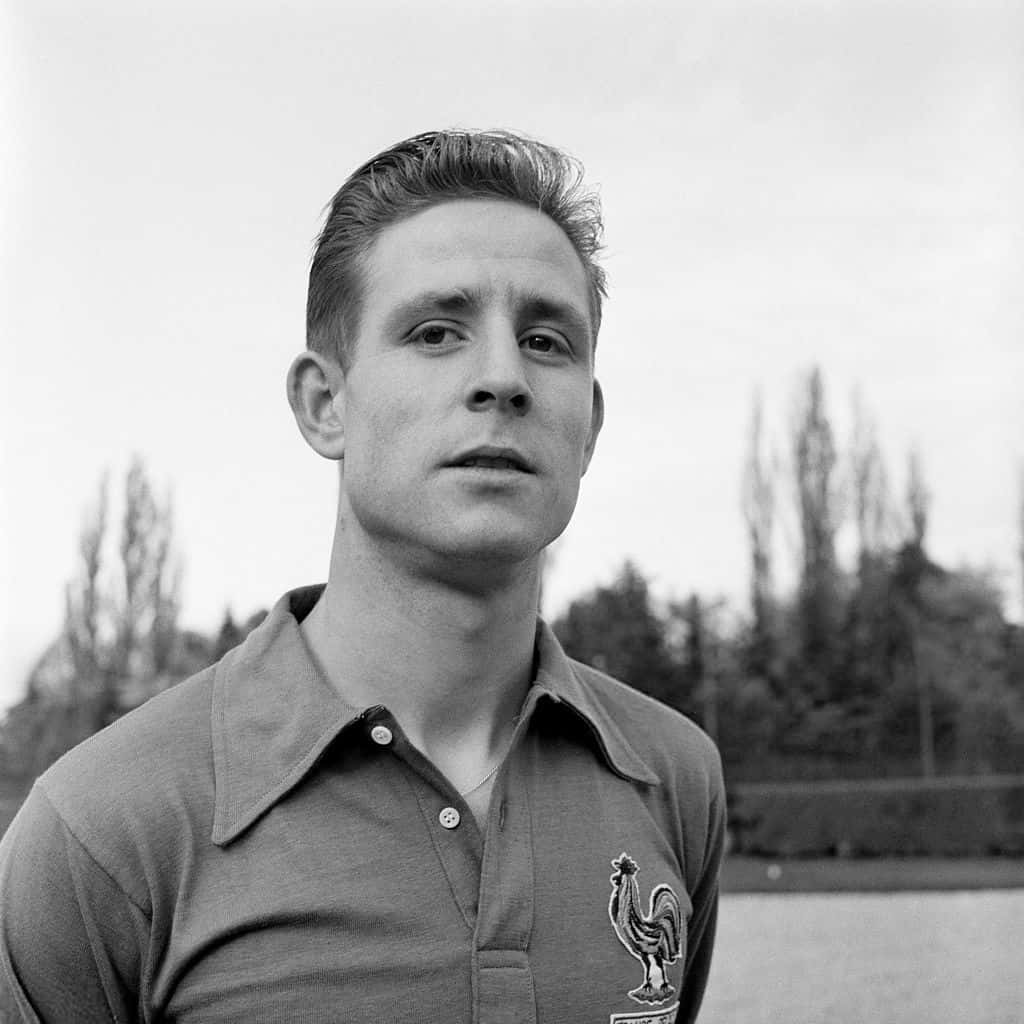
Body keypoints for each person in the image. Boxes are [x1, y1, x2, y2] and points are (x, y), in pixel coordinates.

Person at [0, 130, 725, 1023]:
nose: (504, 377)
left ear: (590, 428)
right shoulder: (104, 830)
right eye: (436, 333)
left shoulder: (674, 777)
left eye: (546, 340)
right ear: (324, 404)